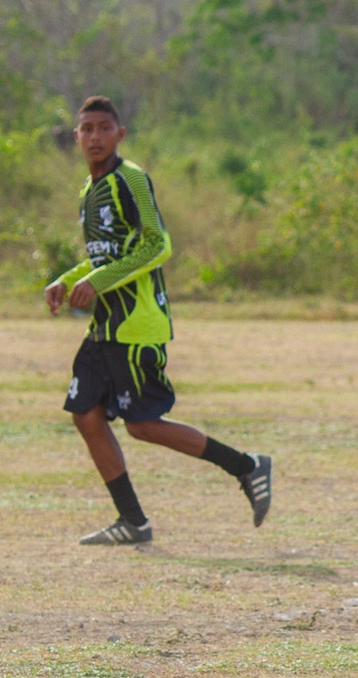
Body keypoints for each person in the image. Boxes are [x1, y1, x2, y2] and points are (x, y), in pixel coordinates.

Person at [45, 96, 271, 544]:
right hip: (105, 327)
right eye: (85, 129)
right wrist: (66, 279)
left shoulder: (130, 180)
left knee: (142, 425)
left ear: (120, 134)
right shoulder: (88, 192)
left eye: (103, 128)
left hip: (137, 326)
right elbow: (103, 256)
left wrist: (100, 280)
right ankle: (133, 522)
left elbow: (156, 245)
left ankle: (246, 466)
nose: (94, 136)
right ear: (75, 137)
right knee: (85, 414)